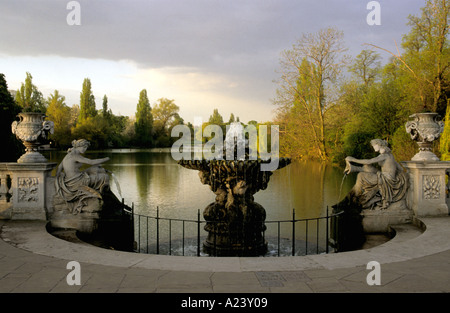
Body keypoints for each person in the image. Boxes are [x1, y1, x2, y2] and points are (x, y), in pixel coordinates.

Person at [343, 139, 407, 210]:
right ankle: (353, 168)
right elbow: (400, 168)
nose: (373, 147)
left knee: (360, 175)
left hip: (386, 179)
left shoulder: (384, 156)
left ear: (379, 145)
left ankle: (356, 195)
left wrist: (353, 159)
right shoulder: (389, 155)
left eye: (374, 145)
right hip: (385, 176)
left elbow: (369, 161)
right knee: (368, 167)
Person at [55, 139, 110, 214]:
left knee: (96, 169)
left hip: (71, 180)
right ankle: (102, 198)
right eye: (84, 147)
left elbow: (59, 168)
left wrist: (57, 179)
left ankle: (102, 196)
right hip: (77, 181)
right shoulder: (75, 156)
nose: (85, 149)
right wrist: (106, 159)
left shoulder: (68, 155)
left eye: (86, 147)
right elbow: (91, 162)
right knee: (104, 177)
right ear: (79, 147)